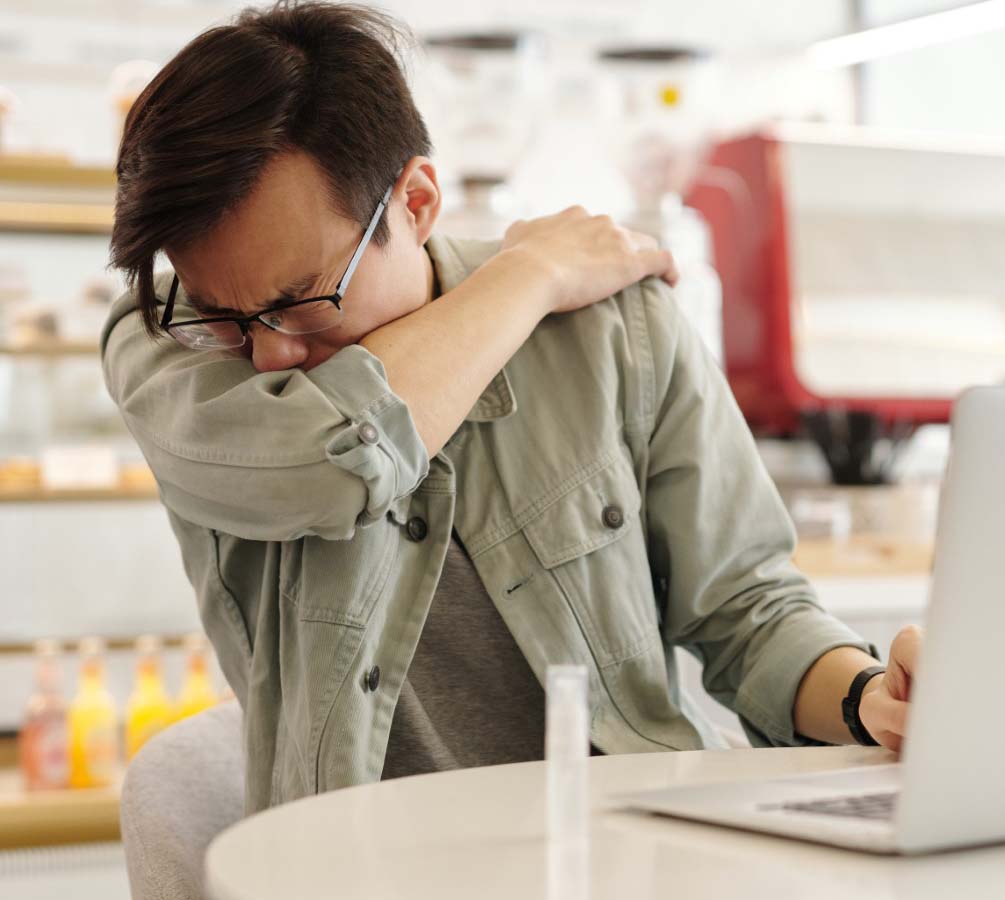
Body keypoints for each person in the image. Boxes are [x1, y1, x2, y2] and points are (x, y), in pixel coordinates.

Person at [102, 0, 921, 814]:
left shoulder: (614, 329)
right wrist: (529, 278)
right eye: (224, 312)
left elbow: (746, 610)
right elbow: (323, 458)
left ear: (415, 203)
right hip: (349, 865)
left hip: (620, 856)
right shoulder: (162, 343)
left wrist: (871, 695)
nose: (269, 352)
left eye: (303, 300)